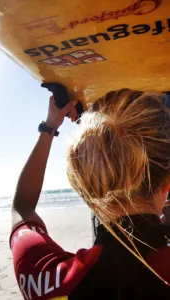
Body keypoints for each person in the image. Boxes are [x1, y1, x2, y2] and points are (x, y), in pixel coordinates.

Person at [10, 89, 170, 299]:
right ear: (167, 183)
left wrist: (49, 127)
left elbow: (22, 209)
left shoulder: (50, 281)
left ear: (88, 183)